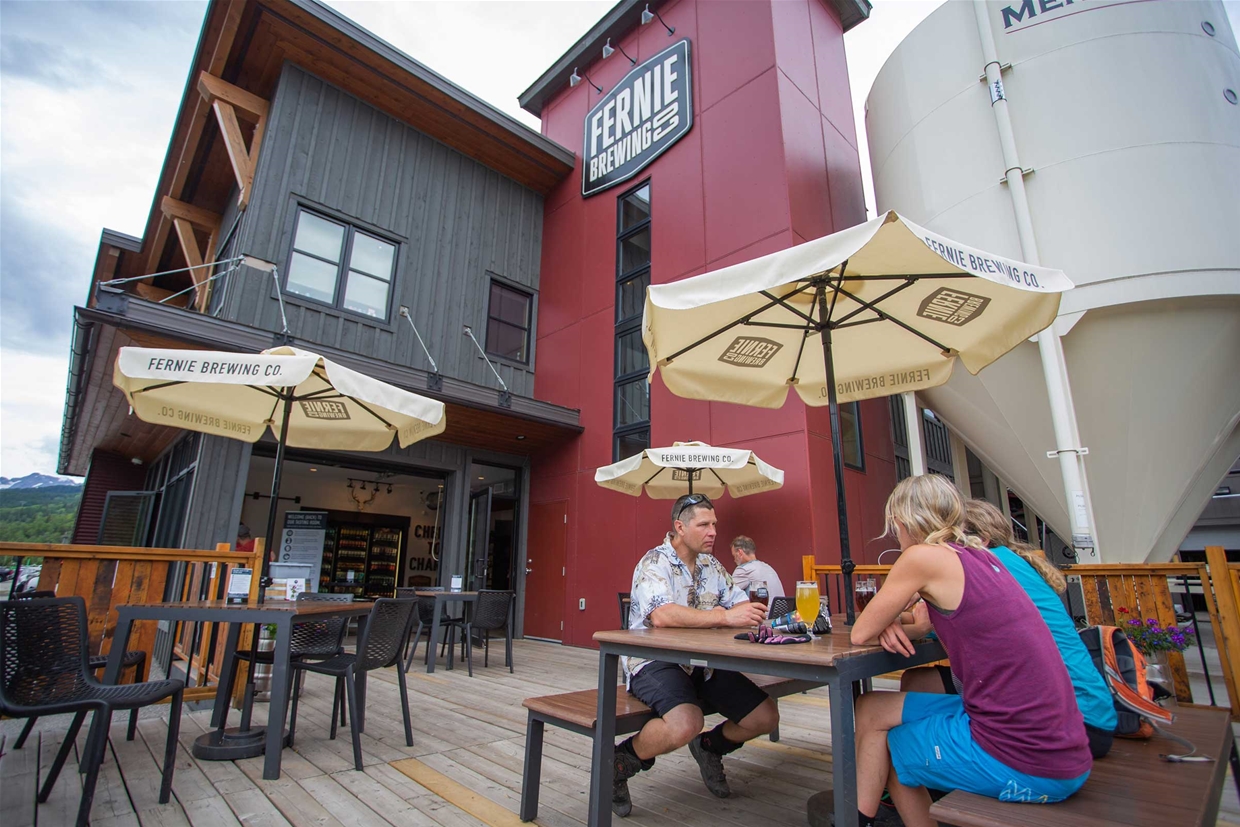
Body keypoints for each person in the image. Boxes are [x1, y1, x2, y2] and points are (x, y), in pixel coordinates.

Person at [842, 475, 1091, 827]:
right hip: (1058, 739)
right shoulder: (977, 556)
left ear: (903, 521)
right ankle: (859, 818)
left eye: (894, 525)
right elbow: (922, 622)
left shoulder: (922, 557)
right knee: (870, 707)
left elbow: (862, 631)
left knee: (894, 748)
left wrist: (885, 619)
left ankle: (859, 821)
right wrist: (890, 619)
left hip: (1030, 759)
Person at [901, 499, 1116, 758]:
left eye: (951, 538)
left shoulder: (982, 568)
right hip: (1092, 712)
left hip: (1066, 721)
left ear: (981, 541)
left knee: (897, 712)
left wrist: (905, 618)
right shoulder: (1012, 563)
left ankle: (928, 764)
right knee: (917, 681)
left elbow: (935, 624)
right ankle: (930, 768)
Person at [614, 493, 774, 818]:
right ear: (680, 527)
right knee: (686, 721)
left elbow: (739, 601)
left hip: (703, 663)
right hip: (655, 662)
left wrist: (742, 611)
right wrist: (722, 617)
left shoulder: (711, 564)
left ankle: (709, 748)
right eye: (704, 524)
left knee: (765, 717)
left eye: (714, 524)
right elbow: (661, 615)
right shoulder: (653, 563)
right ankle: (618, 764)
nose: (713, 531)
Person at [729, 535, 786, 612]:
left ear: (740, 552)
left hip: (761, 617)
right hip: (779, 616)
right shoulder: (768, 567)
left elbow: (728, 594)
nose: (734, 560)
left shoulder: (743, 569)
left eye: (734, 556)